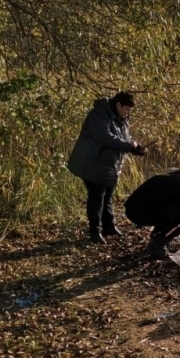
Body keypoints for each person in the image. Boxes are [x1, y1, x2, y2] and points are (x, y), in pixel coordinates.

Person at [68, 91, 146, 244]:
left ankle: (109, 227)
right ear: (118, 105)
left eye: (130, 111)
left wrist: (136, 148)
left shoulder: (122, 118)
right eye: (126, 109)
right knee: (97, 196)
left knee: (107, 195)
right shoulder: (99, 114)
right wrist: (129, 146)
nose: (128, 113)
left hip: (109, 165)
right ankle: (94, 232)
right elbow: (104, 137)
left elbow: (125, 138)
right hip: (91, 162)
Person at [124, 162, 180, 259]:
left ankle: (157, 237)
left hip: (133, 209)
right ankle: (158, 244)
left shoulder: (176, 178)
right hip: (139, 213)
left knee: (178, 210)